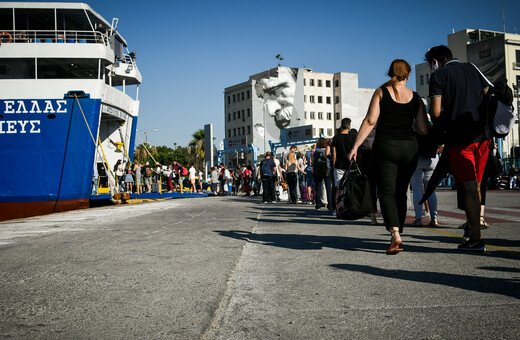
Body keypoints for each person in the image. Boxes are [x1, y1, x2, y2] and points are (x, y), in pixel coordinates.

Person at [348, 59, 428, 254]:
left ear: (389, 73)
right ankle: (399, 229)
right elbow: (423, 128)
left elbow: (370, 120)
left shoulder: (381, 92)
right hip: (410, 149)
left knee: (386, 191)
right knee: (401, 192)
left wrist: (356, 145)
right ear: (408, 75)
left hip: (385, 148)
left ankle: (394, 232)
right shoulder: (416, 97)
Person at [426, 45, 490, 252]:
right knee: (477, 184)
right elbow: (488, 95)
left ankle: (476, 239)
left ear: (435, 61)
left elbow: (435, 113)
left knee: (468, 187)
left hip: (460, 140)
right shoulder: (473, 68)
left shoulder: (439, 76)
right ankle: (472, 227)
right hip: (483, 137)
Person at [410, 131, 441, 227]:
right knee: (431, 190)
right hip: (432, 158)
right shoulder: (432, 121)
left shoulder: (414, 122)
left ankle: (418, 219)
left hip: (416, 157)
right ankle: (434, 219)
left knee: (417, 189)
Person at [331, 118, 356, 187]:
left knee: (339, 188)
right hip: (350, 165)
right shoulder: (353, 138)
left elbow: (334, 153)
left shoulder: (336, 138)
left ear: (341, 126)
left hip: (339, 166)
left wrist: (334, 164)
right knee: (351, 188)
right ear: (349, 127)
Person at [311, 137, 333, 211]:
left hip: (318, 172)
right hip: (327, 171)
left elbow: (312, 163)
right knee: (328, 188)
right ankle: (330, 205)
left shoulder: (315, 153)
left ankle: (318, 205)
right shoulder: (328, 151)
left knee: (318, 188)